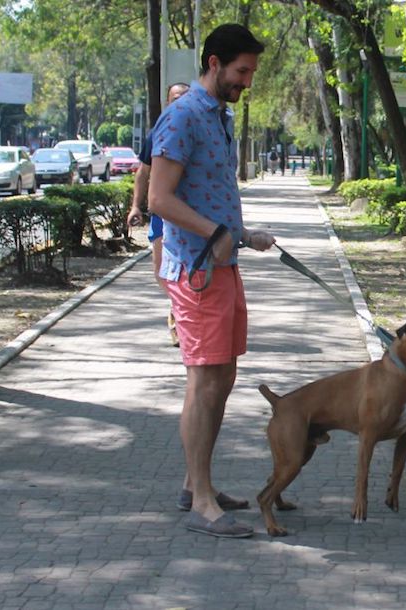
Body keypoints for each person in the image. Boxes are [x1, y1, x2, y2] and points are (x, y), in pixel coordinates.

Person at [149, 23, 274, 539]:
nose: (246, 82)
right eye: (241, 71)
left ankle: (193, 482)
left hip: (223, 264)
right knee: (204, 382)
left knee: (223, 378)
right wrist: (218, 232)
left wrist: (243, 234)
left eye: (250, 73)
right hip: (197, 271)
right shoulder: (182, 116)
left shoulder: (218, 117)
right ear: (214, 62)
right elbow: (159, 199)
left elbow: (207, 194)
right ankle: (201, 500)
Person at [127, 82, 191, 346]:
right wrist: (135, 206)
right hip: (161, 214)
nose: (179, 103)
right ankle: (178, 308)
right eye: (175, 98)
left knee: (186, 272)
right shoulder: (158, 132)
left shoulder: (198, 131)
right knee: (161, 272)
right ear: (167, 102)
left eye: (184, 98)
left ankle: (180, 320)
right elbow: (143, 172)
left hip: (189, 214)